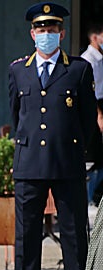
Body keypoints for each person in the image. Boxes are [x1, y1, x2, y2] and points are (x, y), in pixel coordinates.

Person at [8, 2, 96, 270]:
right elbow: (18, 114)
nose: (47, 34)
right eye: (41, 29)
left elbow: (87, 121)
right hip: (29, 166)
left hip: (67, 164)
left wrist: (74, 150)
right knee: (26, 240)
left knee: (74, 239)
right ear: (33, 34)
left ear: (61, 34)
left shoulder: (78, 69)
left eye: (52, 29)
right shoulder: (19, 70)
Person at [81, 24, 103, 207]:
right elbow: (90, 93)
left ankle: (94, 195)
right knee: (93, 155)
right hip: (94, 109)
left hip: (100, 105)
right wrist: (99, 116)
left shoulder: (100, 59)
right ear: (94, 37)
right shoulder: (88, 60)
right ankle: (88, 197)